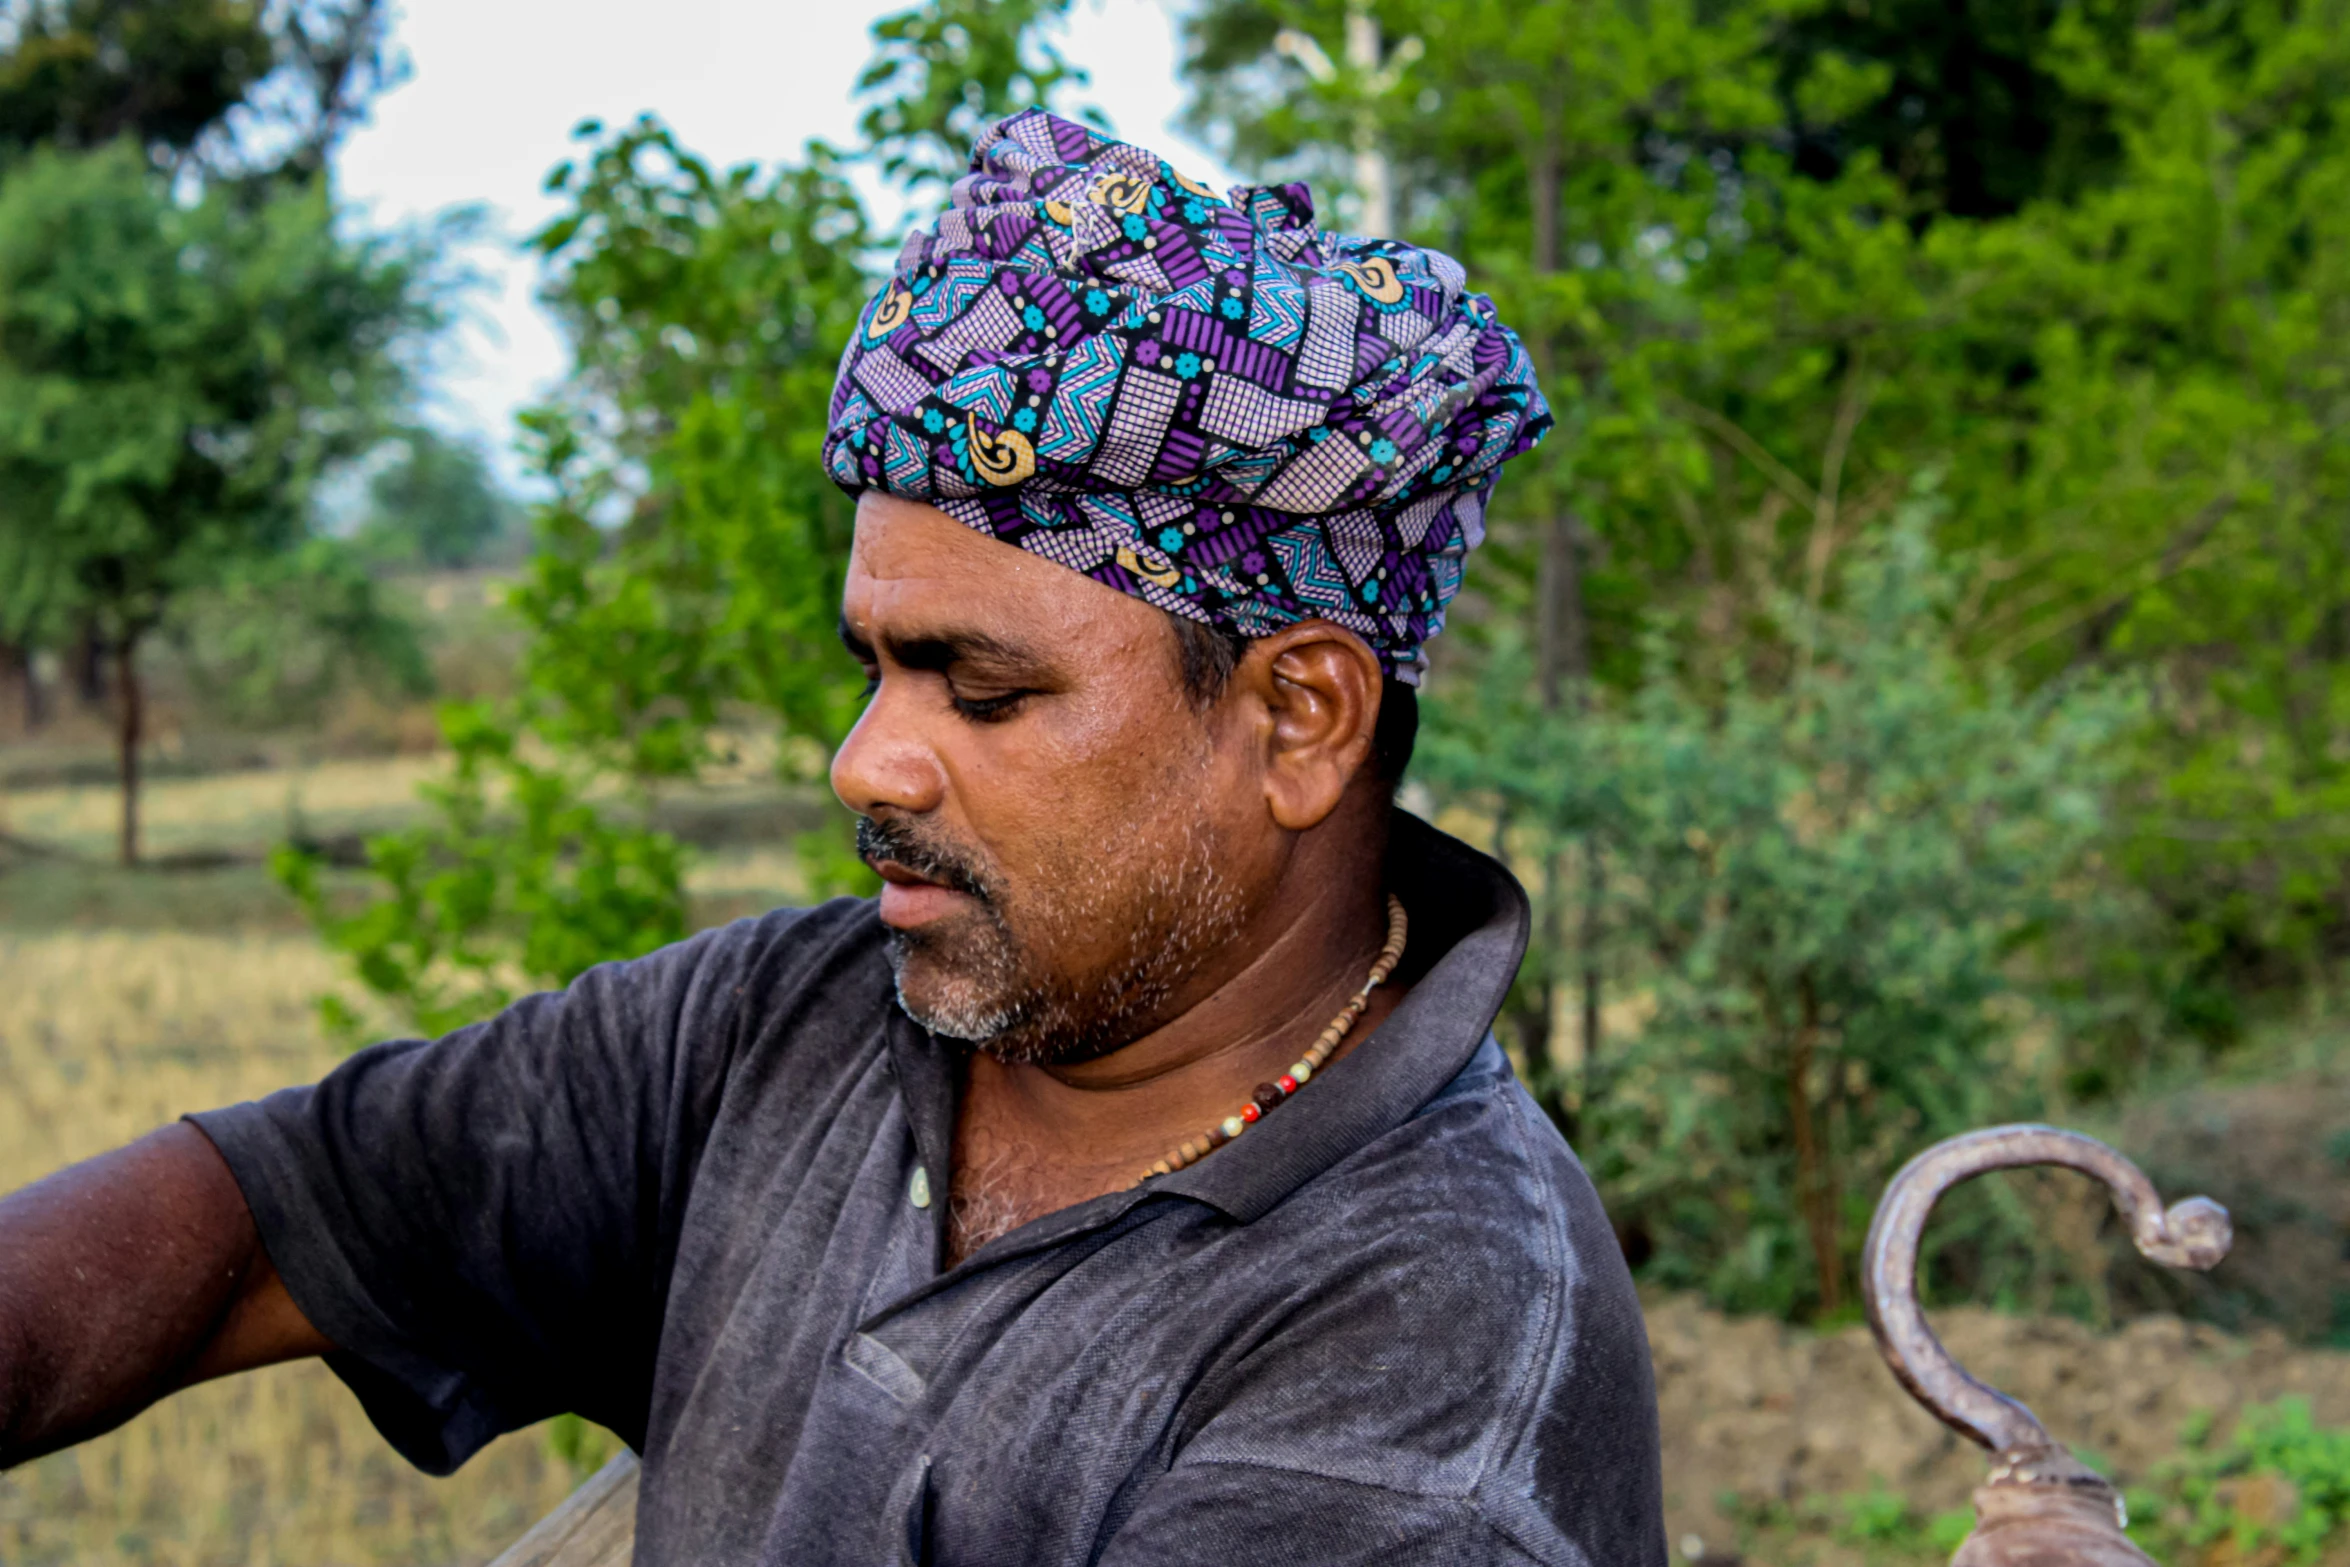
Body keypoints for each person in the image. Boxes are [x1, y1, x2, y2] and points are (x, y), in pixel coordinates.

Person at [0, 110, 1665, 1565]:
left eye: (982, 689)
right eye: (874, 666)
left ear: (1297, 716)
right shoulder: (792, 1024)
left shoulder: (1424, 1367)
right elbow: (271, 1212)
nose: (864, 763)